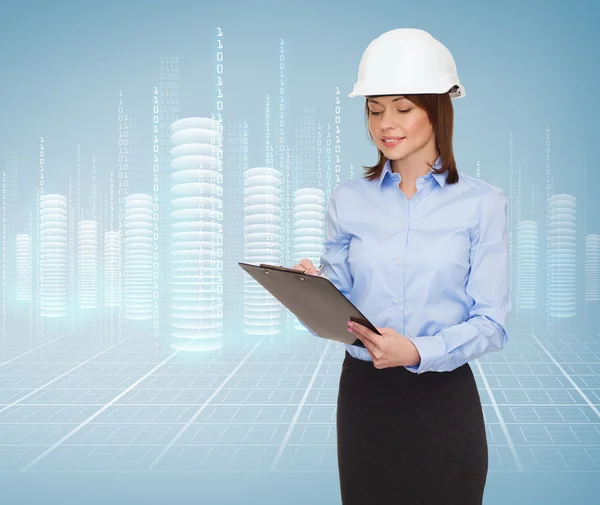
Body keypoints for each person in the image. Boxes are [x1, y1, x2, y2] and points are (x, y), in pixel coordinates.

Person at [291, 28, 511, 504]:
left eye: (402, 108)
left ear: (437, 109)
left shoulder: (482, 204)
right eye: (374, 110)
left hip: (443, 403)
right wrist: (315, 292)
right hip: (365, 400)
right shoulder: (347, 200)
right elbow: (342, 298)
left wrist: (415, 351)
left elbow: (492, 323)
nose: (384, 124)